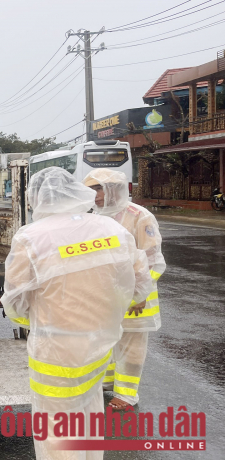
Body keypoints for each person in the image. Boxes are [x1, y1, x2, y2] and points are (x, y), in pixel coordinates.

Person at [2, 167, 152, 460]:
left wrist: (32, 321)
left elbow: (15, 302)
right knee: (89, 410)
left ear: (36, 199)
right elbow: (140, 285)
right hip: (99, 345)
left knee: (57, 427)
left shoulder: (31, 237)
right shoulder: (112, 230)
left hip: (56, 351)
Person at [83, 168, 165, 410]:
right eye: (90, 189)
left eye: (98, 188)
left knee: (132, 343)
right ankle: (107, 383)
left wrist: (140, 294)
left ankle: (127, 395)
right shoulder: (93, 215)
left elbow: (152, 259)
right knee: (105, 340)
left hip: (134, 295)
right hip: (104, 294)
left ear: (114, 189)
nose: (94, 195)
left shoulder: (139, 216)